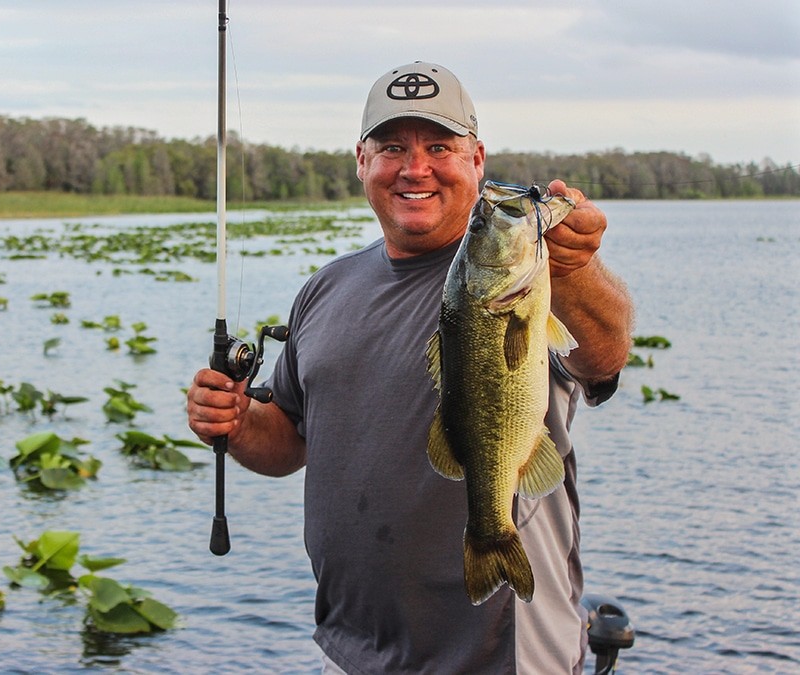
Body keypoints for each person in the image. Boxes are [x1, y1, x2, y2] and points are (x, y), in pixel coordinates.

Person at [186, 62, 634, 674]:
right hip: (352, 650)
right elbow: (288, 441)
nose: (414, 168)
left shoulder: (540, 279)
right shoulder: (326, 288)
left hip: (502, 657)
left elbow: (604, 355)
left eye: (440, 147)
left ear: (477, 160)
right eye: (392, 147)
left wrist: (576, 268)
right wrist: (235, 421)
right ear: (362, 161)